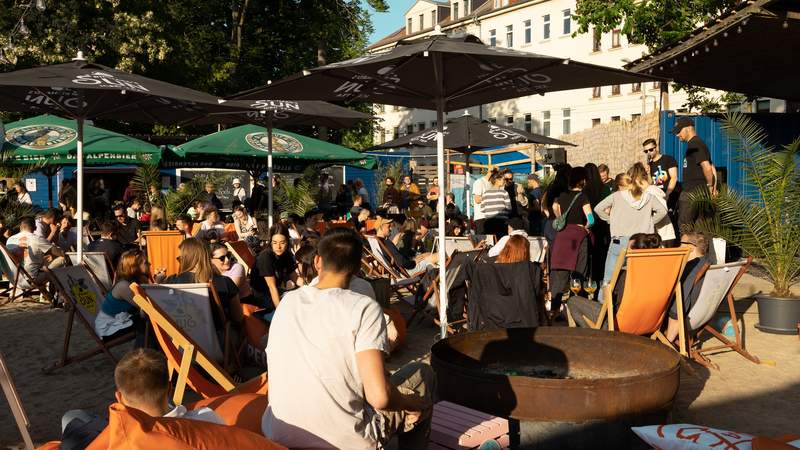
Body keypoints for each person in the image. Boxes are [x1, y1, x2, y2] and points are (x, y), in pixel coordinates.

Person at [262, 230, 435, 450]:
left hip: (278, 433)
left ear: (317, 261)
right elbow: (380, 398)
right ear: (356, 269)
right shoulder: (363, 306)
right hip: (346, 441)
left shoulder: (287, 302)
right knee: (424, 375)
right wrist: (411, 404)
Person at [60, 349, 223, 450]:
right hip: (168, 414)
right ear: (170, 388)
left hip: (119, 427)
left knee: (72, 417)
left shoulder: (121, 442)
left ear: (119, 398)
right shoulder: (208, 418)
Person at [594, 169, 668, 300]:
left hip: (620, 241)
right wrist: (650, 221)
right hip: (642, 243)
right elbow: (663, 211)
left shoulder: (617, 196)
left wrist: (611, 220)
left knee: (608, 280)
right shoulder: (648, 197)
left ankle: (603, 310)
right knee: (640, 279)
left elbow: (597, 208)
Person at [566, 233, 662, 328]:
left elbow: (609, 301)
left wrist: (606, 289)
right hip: (647, 322)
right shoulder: (658, 276)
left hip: (616, 322)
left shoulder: (624, 276)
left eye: (628, 250)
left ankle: (597, 335)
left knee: (573, 301)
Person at [549, 167, 594, 313]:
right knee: (579, 274)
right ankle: (580, 310)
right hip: (578, 237)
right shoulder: (582, 196)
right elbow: (591, 219)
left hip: (562, 237)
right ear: (582, 180)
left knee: (560, 276)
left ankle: (554, 310)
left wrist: (559, 217)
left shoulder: (561, 196)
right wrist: (586, 227)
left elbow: (555, 207)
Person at [163, 238, 241, 322]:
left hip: (180, 332)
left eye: (179, 258)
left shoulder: (171, 282)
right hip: (215, 334)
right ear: (207, 256)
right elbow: (238, 318)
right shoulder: (225, 282)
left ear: (186, 259)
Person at [94, 249, 152, 342]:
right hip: (109, 328)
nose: (150, 264)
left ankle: (147, 349)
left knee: (147, 320)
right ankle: (143, 351)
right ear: (134, 266)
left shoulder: (135, 281)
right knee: (148, 322)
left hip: (122, 320)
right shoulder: (123, 286)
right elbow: (146, 307)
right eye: (146, 262)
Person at [665, 231, 711, 343]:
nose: (679, 246)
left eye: (682, 243)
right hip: (703, 315)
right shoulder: (707, 263)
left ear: (691, 247)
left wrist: (668, 340)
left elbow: (678, 307)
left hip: (683, 317)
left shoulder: (691, 270)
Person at [673, 117, 715, 233]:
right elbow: (712, 167)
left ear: (688, 128)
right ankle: (698, 251)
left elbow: (707, 167)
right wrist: (712, 188)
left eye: (678, 131)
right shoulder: (697, 144)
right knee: (700, 230)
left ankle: (689, 251)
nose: (677, 135)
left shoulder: (695, 144)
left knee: (686, 229)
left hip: (692, 193)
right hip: (699, 193)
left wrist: (710, 186)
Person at [6, 216, 66, 287]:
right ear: (35, 228)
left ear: (20, 227)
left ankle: (45, 295)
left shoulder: (10, 240)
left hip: (14, 280)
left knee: (44, 260)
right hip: (31, 280)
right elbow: (59, 253)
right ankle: (54, 294)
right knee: (63, 258)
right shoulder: (36, 239)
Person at [251, 225, 297, 310]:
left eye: (282, 243)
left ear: (287, 242)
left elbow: (295, 277)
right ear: (270, 242)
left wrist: (311, 289)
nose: (278, 247)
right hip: (262, 295)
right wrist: (279, 312)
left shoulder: (286, 254)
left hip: (277, 291)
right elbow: (272, 287)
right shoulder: (266, 257)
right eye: (275, 242)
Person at [481, 172, 512, 238]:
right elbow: (509, 208)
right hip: (501, 223)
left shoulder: (485, 193)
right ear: (497, 180)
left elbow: (482, 209)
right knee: (501, 243)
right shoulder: (504, 193)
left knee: (490, 244)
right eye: (503, 179)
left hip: (488, 223)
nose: (504, 181)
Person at [471, 168, 497, 234]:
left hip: (491, 217)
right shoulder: (479, 182)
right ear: (490, 174)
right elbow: (477, 199)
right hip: (481, 217)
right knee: (482, 240)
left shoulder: (492, 184)